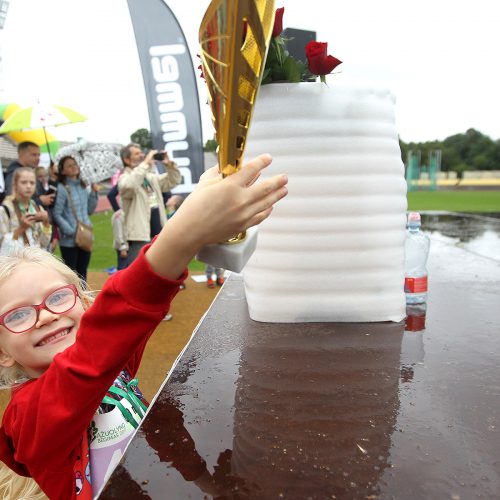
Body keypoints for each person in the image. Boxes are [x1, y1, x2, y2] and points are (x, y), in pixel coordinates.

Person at [0, 154, 288, 498]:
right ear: (2, 353)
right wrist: (185, 232)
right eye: (18, 315)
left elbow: (136, 316)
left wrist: (201, 479)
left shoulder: (112, 364)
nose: (46, 315)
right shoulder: (27, 415)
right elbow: (92, 355)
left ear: (85, 304)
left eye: (58, 297)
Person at [118, 144, 181, 266]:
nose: (142, 155)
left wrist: (169, 166)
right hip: (140, 235)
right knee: (138, 270)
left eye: (141, 152)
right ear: (126, 160)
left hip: (158, 231)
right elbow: (130, 185)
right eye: (136, 154)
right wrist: (145, 164)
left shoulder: (150, 177)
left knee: (159, 268)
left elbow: (173, 181)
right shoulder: (124, 178)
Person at [52, 156, 99, 282]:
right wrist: (70, 231)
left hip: (86, 235)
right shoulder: (62, 188)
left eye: (75, 164)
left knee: (83, 271)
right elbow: (57, 213)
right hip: (69, 239)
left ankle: (83, 300)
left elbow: (89, 210)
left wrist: (94, 194)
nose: (73, 167)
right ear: (62, 171)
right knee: (72, 274)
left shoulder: (83, 186)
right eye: (69, 165)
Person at [0, 168, 52, 254]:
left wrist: (46, 223)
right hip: (15, 262)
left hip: (35, 261)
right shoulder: (5, 209)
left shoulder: (37, 208)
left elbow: (44, 243)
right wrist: (21, 229)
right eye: (23, 182)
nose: (28, 186)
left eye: (32, 183)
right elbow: (2, 245)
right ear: (15, 184)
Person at [4, 142, 55, 209]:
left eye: (39, 155)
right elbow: (13, 198)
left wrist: (53, 177)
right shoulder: (14, 173)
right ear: (21, 154)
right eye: (34, 155)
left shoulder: (30, 172)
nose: (38, 158)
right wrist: (40, 201)